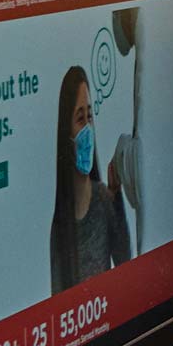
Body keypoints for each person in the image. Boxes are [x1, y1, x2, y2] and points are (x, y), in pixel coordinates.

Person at [48, 62, 131, 293]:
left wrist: (117, 200)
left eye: (90, 116)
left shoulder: (104, 199)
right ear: (67, 132)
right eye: (79, 118)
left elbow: (126, 261)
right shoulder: (59, 226)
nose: (87, 128)